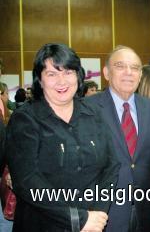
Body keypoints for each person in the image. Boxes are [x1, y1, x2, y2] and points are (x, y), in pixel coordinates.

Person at [5, 43, 120, 232]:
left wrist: (97, 213)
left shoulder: (95, 113)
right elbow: (27, 180)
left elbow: (111, 166)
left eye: (68, 72)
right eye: (51, 74)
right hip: (42, 224)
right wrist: (77, 218)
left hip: (92, 222)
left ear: (78, 75)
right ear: (39, 80)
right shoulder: (25, 119)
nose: (61, 81)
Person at [86, 45, 150, 232]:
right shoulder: (87, 109)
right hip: (103, 211)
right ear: (106, 72)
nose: (129, 73)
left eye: (135, 68)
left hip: (145, 207)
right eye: (120, 66)